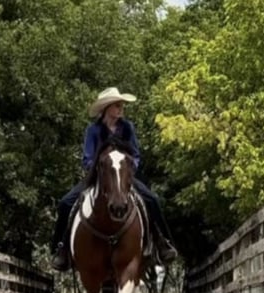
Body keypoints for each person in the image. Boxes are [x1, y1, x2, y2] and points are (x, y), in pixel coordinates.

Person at [50, 87, 178, 272]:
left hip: (124, 176)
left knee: (152, 200)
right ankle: (60, 249)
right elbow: (87, 159)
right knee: (65, 203)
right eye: (117, 105)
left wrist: (129, 169)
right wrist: (98, 172)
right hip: (98, 177)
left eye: (121, 105)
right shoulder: (93, 130)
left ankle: (163, 242)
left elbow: (135, 154)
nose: (121, 109)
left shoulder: (128, 128)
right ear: (107, 108)